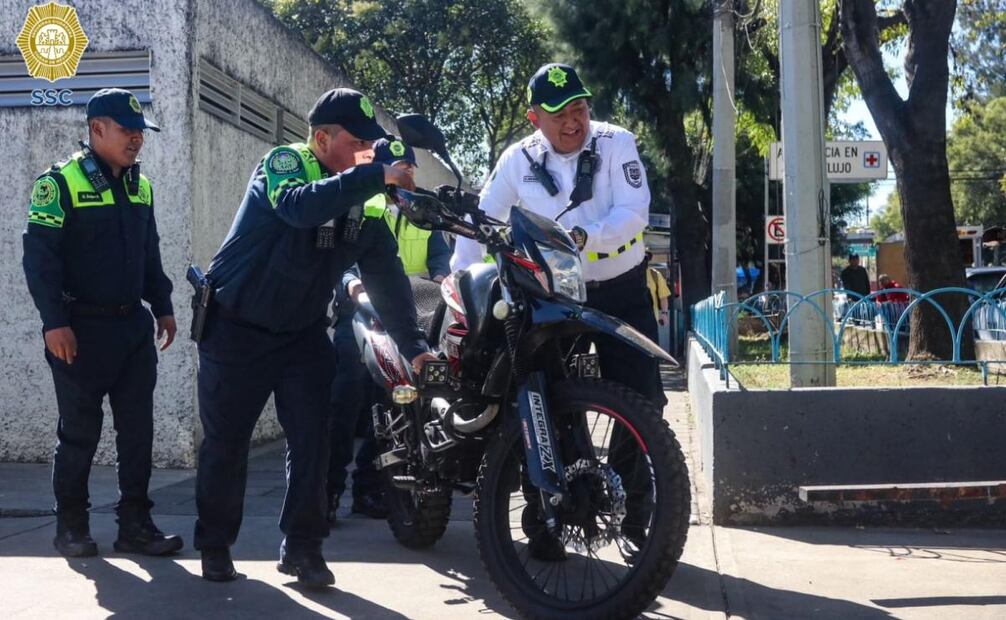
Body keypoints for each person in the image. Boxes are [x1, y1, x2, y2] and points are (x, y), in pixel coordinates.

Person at [192, 89, 436, 587]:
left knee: (313, 441)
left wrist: (414, 347)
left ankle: (302, 547)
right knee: (226, 444)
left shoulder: (362, 199)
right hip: (236, 329)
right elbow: (299, 210)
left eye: (373, 145)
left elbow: (387, 276)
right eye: (358, 143)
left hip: (301, 335)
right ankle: (215, 545)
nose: (369, 152)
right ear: (322, 138)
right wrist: (372, 175)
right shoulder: (284, 164)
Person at [451, 62, 664, 561]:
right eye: (560, 113)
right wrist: (459, 275)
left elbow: (634, 210)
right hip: (547, 294)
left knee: (643, 399)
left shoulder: (616, 143)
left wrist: (583, 239)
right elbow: (483, 220)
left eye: (580, 108)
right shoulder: (516, 159)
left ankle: (638, 519)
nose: (574, 121)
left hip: (617, 286)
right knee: (537, 399)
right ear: (534, 118)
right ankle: (544, 519)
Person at [22, 88, 181, 558]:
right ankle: (71, 525)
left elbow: (149, 254)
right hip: (78, 330)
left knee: (138, 432)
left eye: (141, 132)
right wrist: (54, 322)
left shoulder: (141, 186)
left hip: (132, 327)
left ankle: (135, 523)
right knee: (79, 433)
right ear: (97, 130)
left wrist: (164, 304)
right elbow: (40, 261)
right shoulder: (59, 184)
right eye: (127, 130)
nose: (137, 139)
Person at [327, 137, 451, 523]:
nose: (405, 174)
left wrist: (444, 275)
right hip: (360, 316)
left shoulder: (424, 209)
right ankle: (327, 492)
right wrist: (351, 283)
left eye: (410, 167)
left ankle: (370, 489)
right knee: (345, 401)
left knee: (394, 405)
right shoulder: (360, 204)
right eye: (397, 167)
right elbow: (339, 259)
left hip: (410, 318)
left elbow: (440, 258)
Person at [644, 252, 672, 326]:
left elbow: (663, 297)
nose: (644, 261)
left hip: (651, 320)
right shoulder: (628, 275)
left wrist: (664, 313)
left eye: (646, 258)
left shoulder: (655, 274)